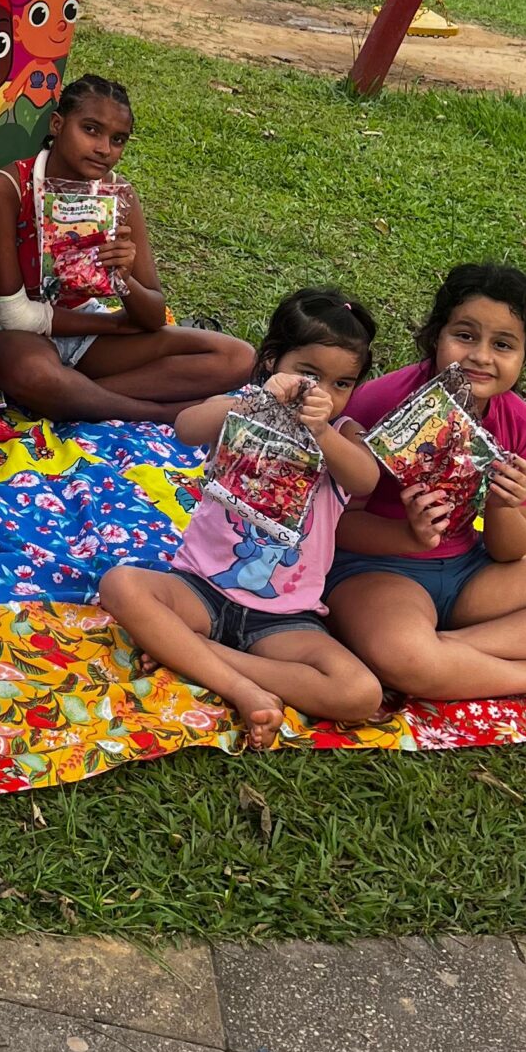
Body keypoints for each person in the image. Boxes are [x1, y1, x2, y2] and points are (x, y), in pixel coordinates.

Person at [328, 264, 526, 706]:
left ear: (523, 356)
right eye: (465, 336)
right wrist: (408, 535)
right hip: (375, 570)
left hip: (469, 570)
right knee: (405, 655)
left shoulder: (517, 422)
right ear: (435, 337)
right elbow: (335, 526)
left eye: (502, 344)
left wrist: (504, 505)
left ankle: (453, 652)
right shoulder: (380, 402)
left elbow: (510, 551)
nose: (481, 356)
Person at [98, 289, 387, 745]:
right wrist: (255, 403)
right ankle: (240, 688)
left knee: (360, 693)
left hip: (282, 617)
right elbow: (187, 427)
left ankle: (196, 654)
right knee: (120, 585)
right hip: (200, 589)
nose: (324, 394)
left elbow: (366, 478)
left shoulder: (342, 434)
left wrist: (322, 432)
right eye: (310, 375)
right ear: (272, 361)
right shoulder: (246, 407)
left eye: (342, 384)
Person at [0, 74, 257, 424]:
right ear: (57, 124)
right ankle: (164, 412)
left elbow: (152, 315)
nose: (104, 149)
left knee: (238, 357)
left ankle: (74, 394)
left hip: (84, 328)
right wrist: (115, 325)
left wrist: (124, 278)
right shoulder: (8, 187)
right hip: (12, 334)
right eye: (91, 130)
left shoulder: (119, 196)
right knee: (36, 374)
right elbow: (14, 315)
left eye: (118, 139)